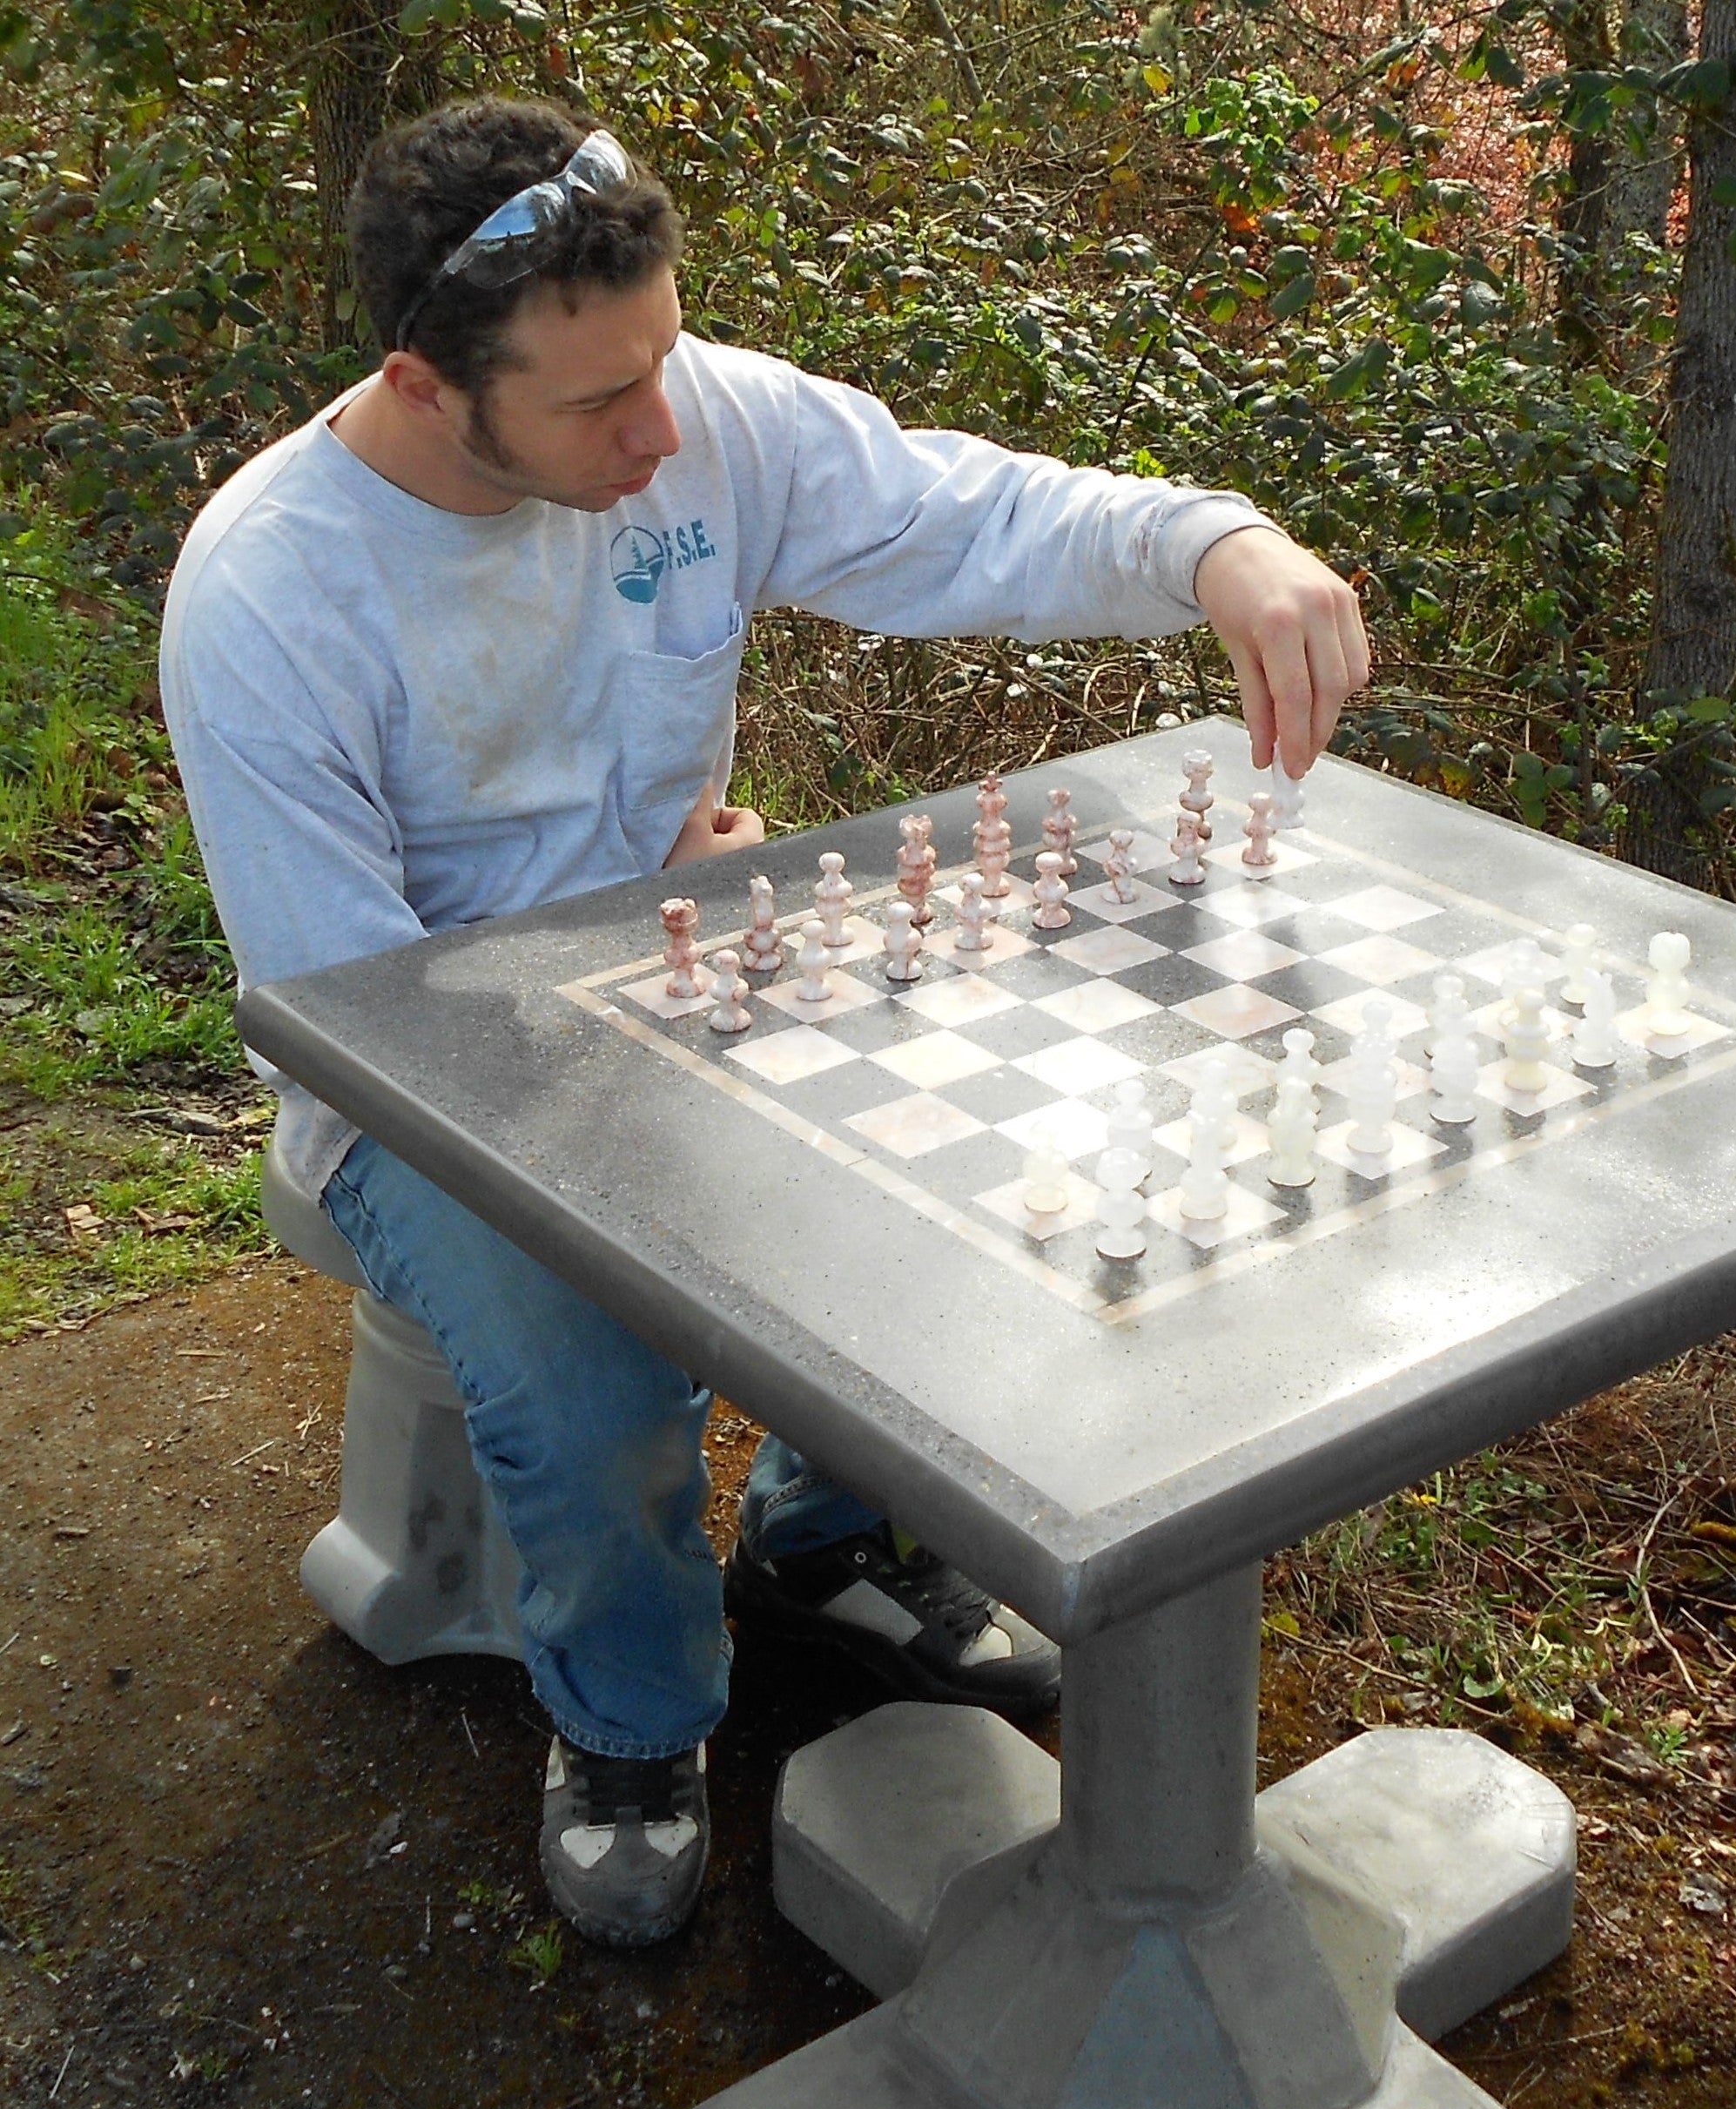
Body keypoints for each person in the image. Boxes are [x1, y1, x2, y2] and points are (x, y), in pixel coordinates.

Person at [159, 97, 1369, 1948]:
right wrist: (667, 932)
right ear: (424, 380)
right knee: (582, 1333)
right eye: (597, 402)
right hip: (422, 1087)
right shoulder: (267, 594)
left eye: (665, 357)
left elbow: (964, 513)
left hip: (689, 967)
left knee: (985, 1156)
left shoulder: (688, 408)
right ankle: (633, 1715)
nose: (663, 432)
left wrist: (1220, 545)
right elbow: (344, 1011)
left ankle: (830, 1543)